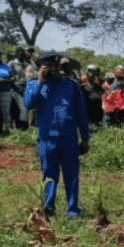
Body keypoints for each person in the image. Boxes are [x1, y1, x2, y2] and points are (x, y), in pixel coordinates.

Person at [22, 52, 90, 218]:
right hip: (47, 140)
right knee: (49, 176)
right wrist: (39, 81)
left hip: (69, 139)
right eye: (49, 66)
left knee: (72, 176)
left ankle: (73, 210)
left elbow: (81, 113)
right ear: (41, 67)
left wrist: (85, 138)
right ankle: (49, 210)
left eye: (56, 65)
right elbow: (28, 103)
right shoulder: (34, 84)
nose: (53, 69)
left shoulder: (70, 85)